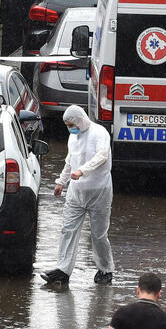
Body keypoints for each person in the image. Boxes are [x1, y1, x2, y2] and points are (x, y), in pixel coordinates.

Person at [40, 104, 114, 285]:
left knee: (98, 234)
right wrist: (60, 181)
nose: (69, 128)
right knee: (68, 230)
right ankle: (62, 271)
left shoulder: (99, 133)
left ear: (80, 120)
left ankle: (105, 270)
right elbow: (69, 160)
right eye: (66, 125)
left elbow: (102, 156)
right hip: (76, 192)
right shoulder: (73, 138)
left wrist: (82, 171)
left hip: (99, 191)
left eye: (71, 124)